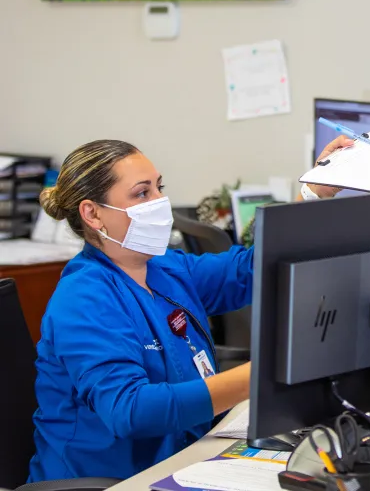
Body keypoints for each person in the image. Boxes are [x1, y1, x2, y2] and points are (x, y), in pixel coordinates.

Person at [29, 136, 351, 482]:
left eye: (158, 187)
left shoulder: (165, 268)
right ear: (92, 213)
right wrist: (260, 375)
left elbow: (252, 269)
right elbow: (131, 409)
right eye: (142, 193)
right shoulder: (84, 298)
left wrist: (315, 192)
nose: (160, 201)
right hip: (107, 482)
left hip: (182, 462)